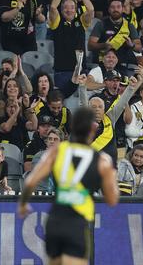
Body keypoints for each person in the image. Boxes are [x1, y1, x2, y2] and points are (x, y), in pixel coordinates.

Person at [19, 107, 119, 265]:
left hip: (54, 221)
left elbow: (31, 181)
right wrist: (111, 178)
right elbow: (112, 200)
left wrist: (23, 204)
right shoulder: (102, 160)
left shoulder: (58, 150)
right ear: (93, 128)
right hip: (77, 223)